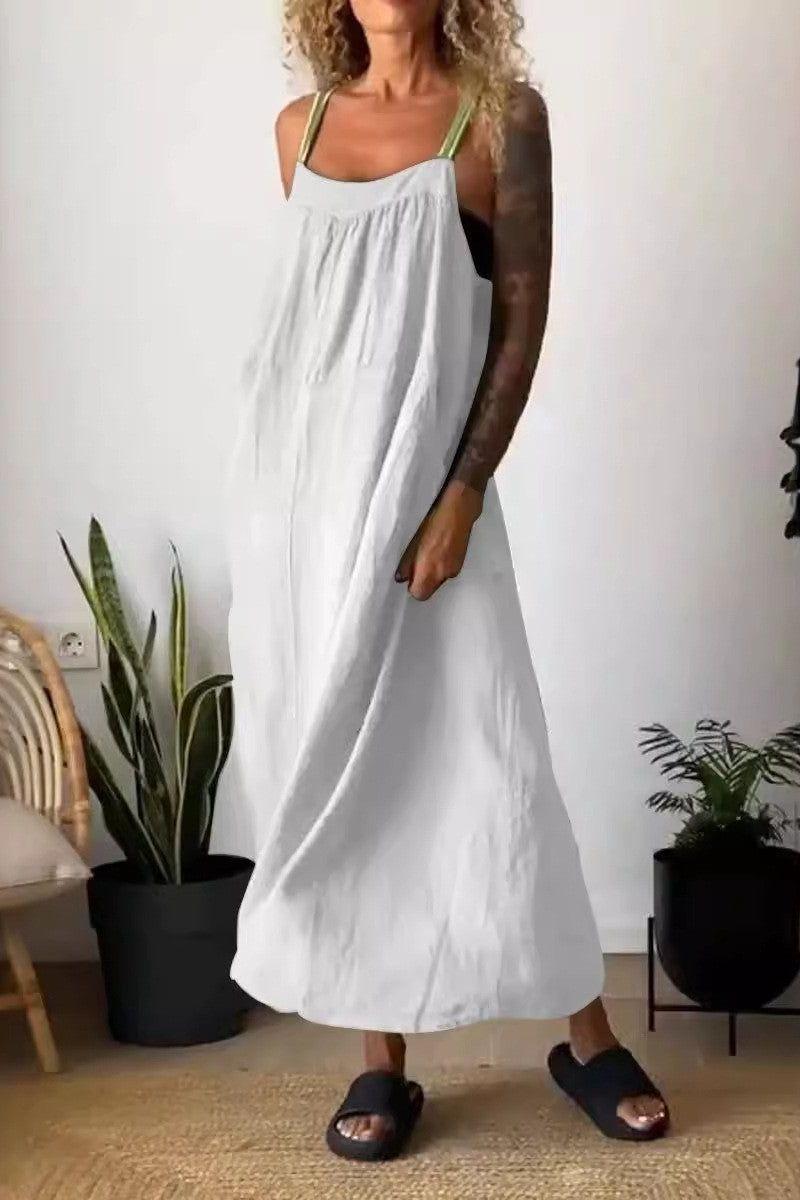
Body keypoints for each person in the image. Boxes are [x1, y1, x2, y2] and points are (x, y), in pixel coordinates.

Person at [226, 0, 669, 1160]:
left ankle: (584, 1035)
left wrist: (463, 491)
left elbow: (517, 323)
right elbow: (323, 336)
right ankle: (380, 1062)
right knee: (341, 759)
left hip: (429, 501)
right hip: (298, 505)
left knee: (491, 752)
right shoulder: (296, 127)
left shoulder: (500, 118)